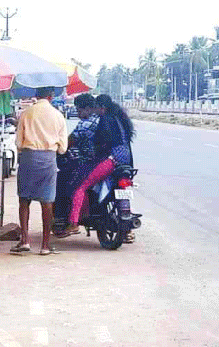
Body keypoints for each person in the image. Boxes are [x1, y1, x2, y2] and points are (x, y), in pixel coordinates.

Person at [11, 87, 68, 255]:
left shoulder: (26, 114)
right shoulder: (58, 116)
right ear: (51, 97)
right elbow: (63, 148)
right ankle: (45, 245)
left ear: (36, 96)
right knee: (47, 202)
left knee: (24, 200)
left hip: (28, 158)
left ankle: (25, 240)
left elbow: (19, 143)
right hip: (48, 159)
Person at [68, 94, 135, 226]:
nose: (95, 111)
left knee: (81, 186)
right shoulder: (119, 119)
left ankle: (73, 223)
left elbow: (100, 142)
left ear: (102, 107)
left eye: (96, 108)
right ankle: (127, 230)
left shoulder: (105, 120)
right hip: (126, 162)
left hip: (111, 160)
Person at [53, 94, 100, 237]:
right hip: (103, 162)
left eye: (79, 110)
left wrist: (58, 148)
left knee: (61, 182)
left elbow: (68, 143)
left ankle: (63, 220)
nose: (78, 114)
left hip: (85, 164)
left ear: (88, 108)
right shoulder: (103, 120)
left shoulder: (85, 124)